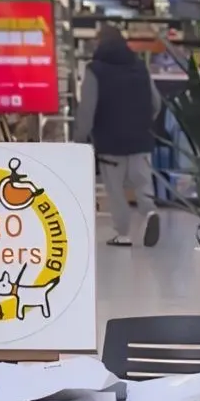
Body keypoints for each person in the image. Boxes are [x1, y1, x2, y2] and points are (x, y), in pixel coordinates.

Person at [76, 23, 162, 248]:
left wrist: (79, 139)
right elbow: (156, 103)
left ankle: (123, 234)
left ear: (99, 42)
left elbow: (87, 109)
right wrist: (144, 122)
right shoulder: (140, 67)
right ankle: (150, 211)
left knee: (116, 191)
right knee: (143, 184)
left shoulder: (95, 70)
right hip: (141, 139)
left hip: (110, 143)